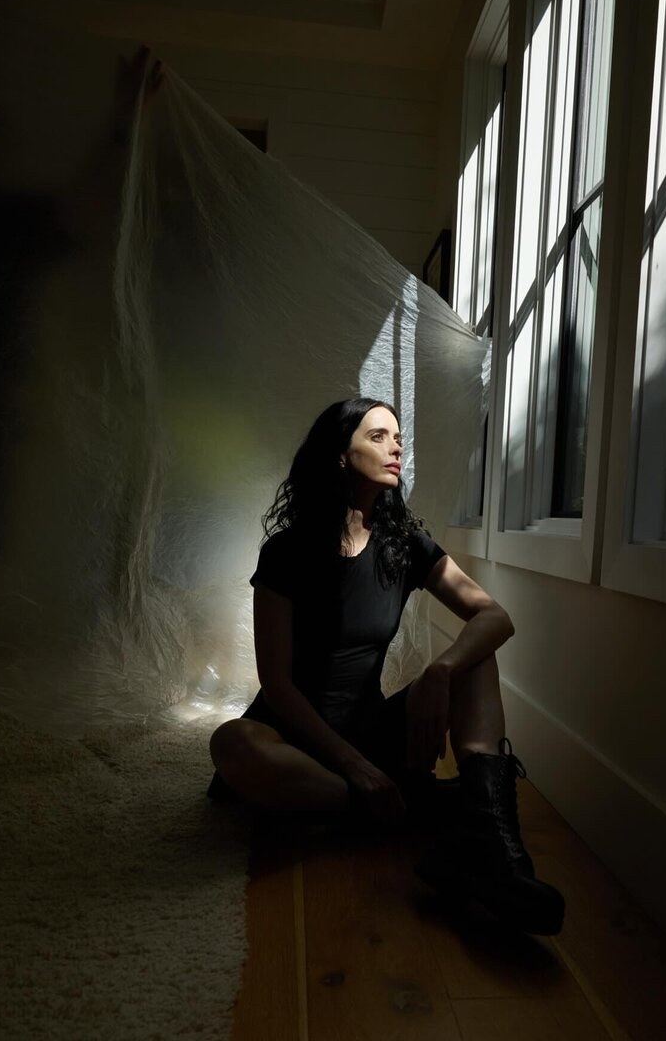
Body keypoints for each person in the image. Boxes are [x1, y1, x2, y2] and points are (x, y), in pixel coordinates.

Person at [208, 397, 565, 935]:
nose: (396, 447)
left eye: (398, 438)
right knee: (232, 743)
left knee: (475, 659)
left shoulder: (405, 546)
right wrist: (354, 766)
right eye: (378, 436)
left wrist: (440, 672)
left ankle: (494, 848)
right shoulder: (286, 552)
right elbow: (276, 685)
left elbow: (494, 616)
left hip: (369, 729)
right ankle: (425, 809)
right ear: (339, 455)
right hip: (295, 743)